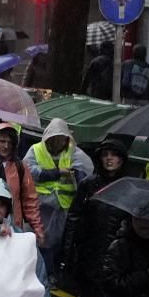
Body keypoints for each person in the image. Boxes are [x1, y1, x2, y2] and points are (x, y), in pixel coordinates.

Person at [62, 139, 131, 297]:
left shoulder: (128, 187)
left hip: (118, 253)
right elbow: (74, 218)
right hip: (91, 250)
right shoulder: (89, 185)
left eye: (114, 154)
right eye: (105, 154)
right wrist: (67, 252)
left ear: (121, 159)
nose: (109, 158)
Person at [24, 118, 93, 285]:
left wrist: (76, 175)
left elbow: (87, 173)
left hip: (64, 207)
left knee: (59, 244)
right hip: (40, 207)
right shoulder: (36, 150)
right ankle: (44, 274)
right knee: (40, 243)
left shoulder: (74, 153)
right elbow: (28, 170)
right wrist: (56, 172)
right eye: (53, 138)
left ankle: (53, 272)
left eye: (60, 138)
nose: (56, 142)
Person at [0, 123, 46, 248]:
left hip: (14, 228)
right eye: (2, 141)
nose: (6, 146)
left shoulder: (20, 166)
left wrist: (37, 228)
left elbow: (30, 200)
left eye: (10, 142)